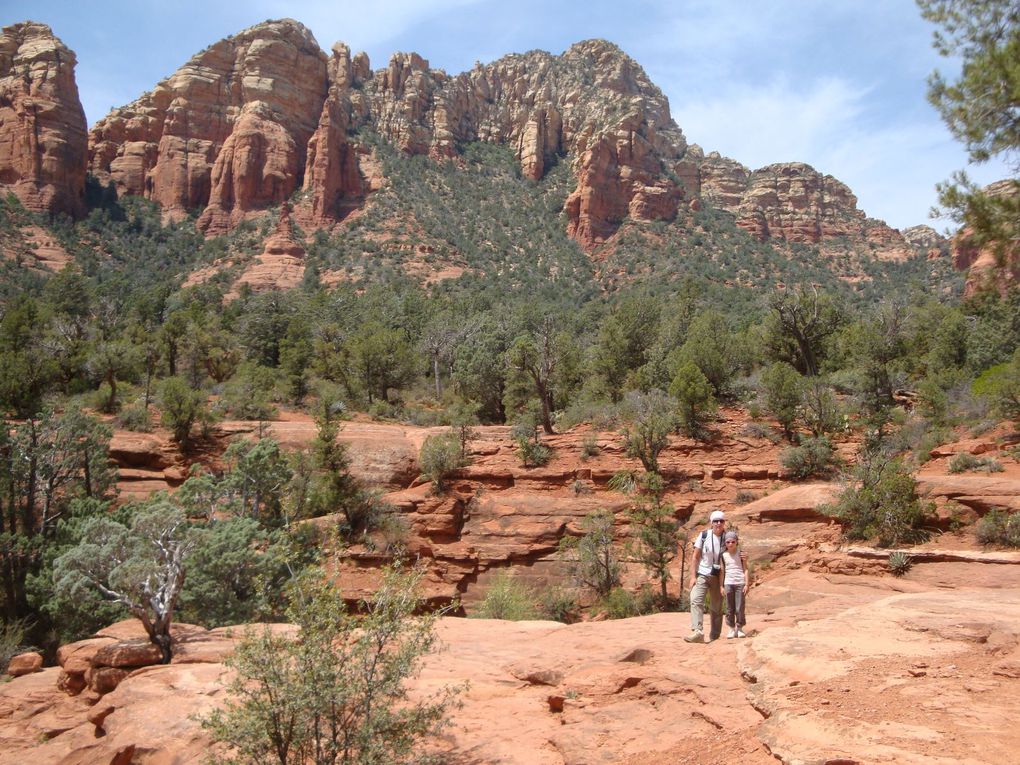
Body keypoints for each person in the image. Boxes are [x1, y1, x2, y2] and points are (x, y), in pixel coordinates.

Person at [683, 509, 727, 643]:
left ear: (724, 522)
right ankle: (698, 631)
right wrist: (692, 577)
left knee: (716, 607)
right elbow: (695, 557)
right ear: (711, 523)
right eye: (716, 521)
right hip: (703, 573)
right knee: (695, 599)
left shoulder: (728, 538)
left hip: (718, 576)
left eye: (721, 521)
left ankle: (715, 636)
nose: (718, 523)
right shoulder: (704, 536)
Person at [721, 530, 749, 638]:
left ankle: (740, 627)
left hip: (740, 583)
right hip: (728, 583)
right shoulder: (723, 555)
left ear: (736, 542)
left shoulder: (741, 554)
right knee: (729, 607)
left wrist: (747, 584)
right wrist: (721, 586)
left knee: (740, 607)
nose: (730, 544)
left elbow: (745, 569)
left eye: (732, 541)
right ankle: (731, 628)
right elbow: (722, 572)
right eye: (728, 542)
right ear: (725, 543)